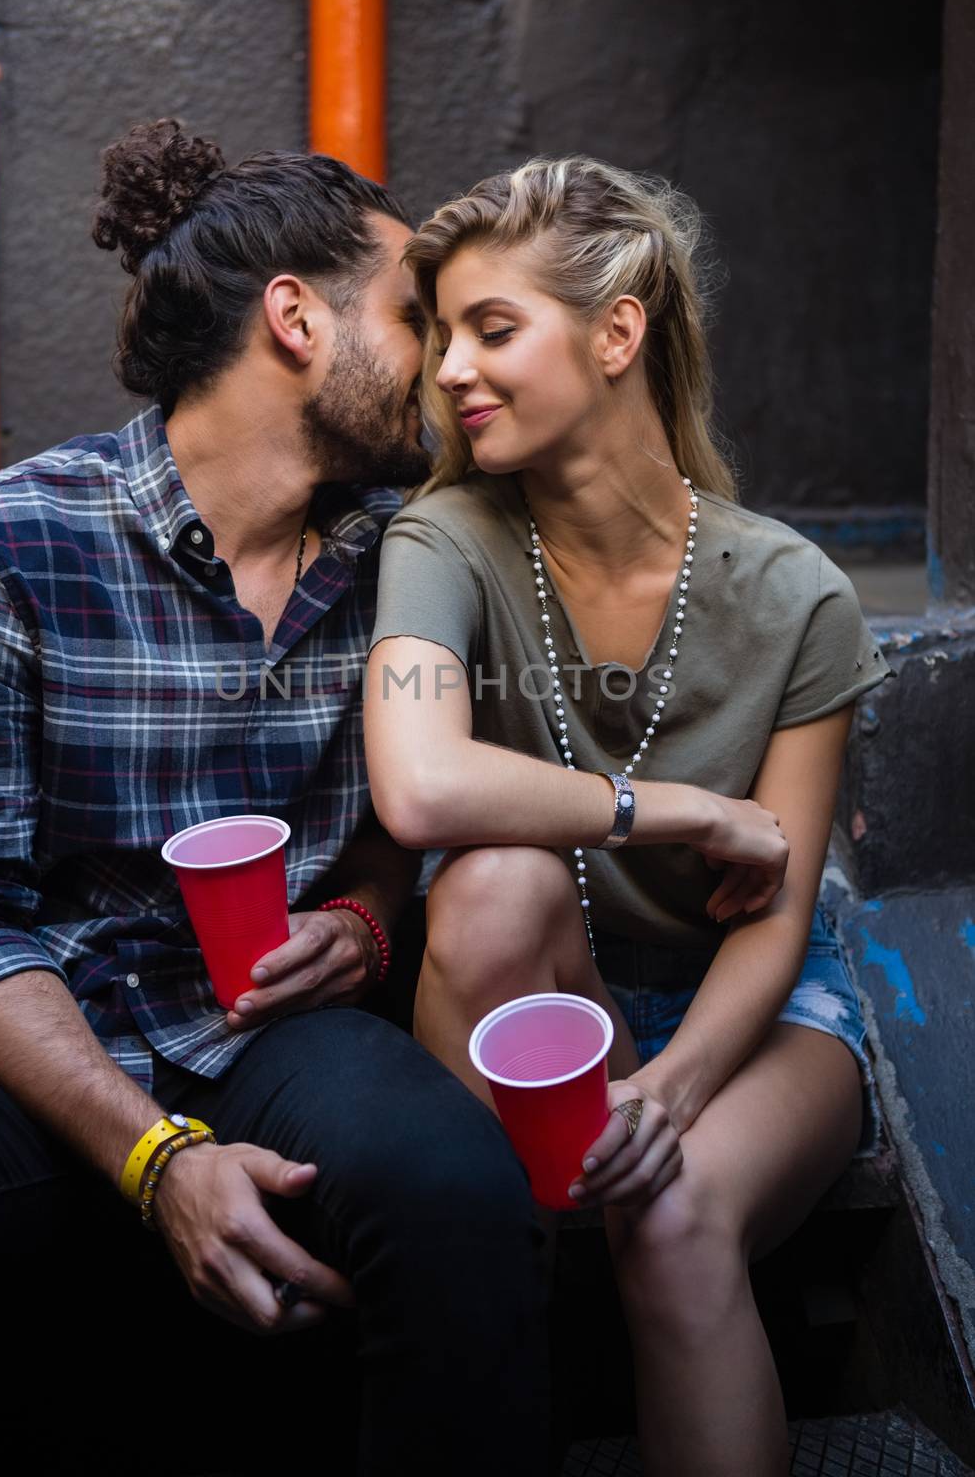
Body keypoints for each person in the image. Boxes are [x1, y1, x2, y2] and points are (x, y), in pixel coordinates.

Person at [0, 120, 550, 1477]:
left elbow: (396, 820)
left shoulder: (401, 563)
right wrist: (156, 1162)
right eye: (412, 317)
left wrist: (371, 924)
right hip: (35, 1038)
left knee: (455, 1189)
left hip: (265, 1026)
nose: (441, 366)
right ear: (296, 317)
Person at [365, 156, 891, 1477]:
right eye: (439, 336)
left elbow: (775, 923)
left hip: (755, 1017)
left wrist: (673, 1087)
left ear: (616, 334)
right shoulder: (447, 540)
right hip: (533, 991)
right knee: (490, 882)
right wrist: (689, 813)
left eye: (492, 330)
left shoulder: (800, 596)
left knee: (675, 1217)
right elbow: (420, 787)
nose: (449, 372)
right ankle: (503, 1252)